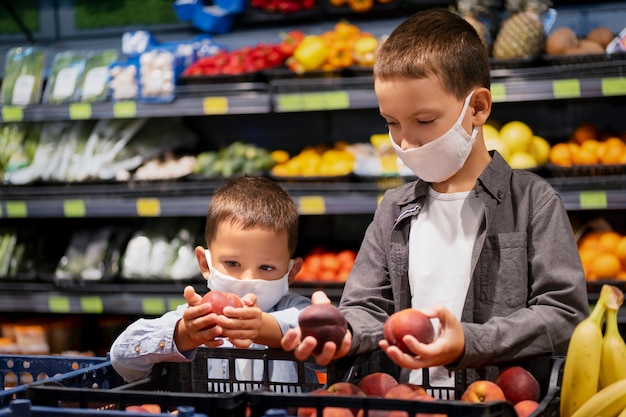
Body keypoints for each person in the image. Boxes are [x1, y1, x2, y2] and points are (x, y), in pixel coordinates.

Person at [282, 8, 589, 391]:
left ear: (477, 108)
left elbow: (563, 314)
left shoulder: (533, 202)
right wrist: (344, 333)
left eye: (424, 121)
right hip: (409, 403)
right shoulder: (393, 209)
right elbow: (365, 307)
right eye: (392, 123)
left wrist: (470, 342)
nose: (406, 142)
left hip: (499, 402)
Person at [111, 176, 313, 385]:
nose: (248, 279)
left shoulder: (296, 310)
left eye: (266, 267)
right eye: (233, 264)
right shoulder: (195, 318)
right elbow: (122, 358)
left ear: (290, 273)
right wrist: (183, 335)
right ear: (205, 264)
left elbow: (327, 340)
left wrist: (266, 329)